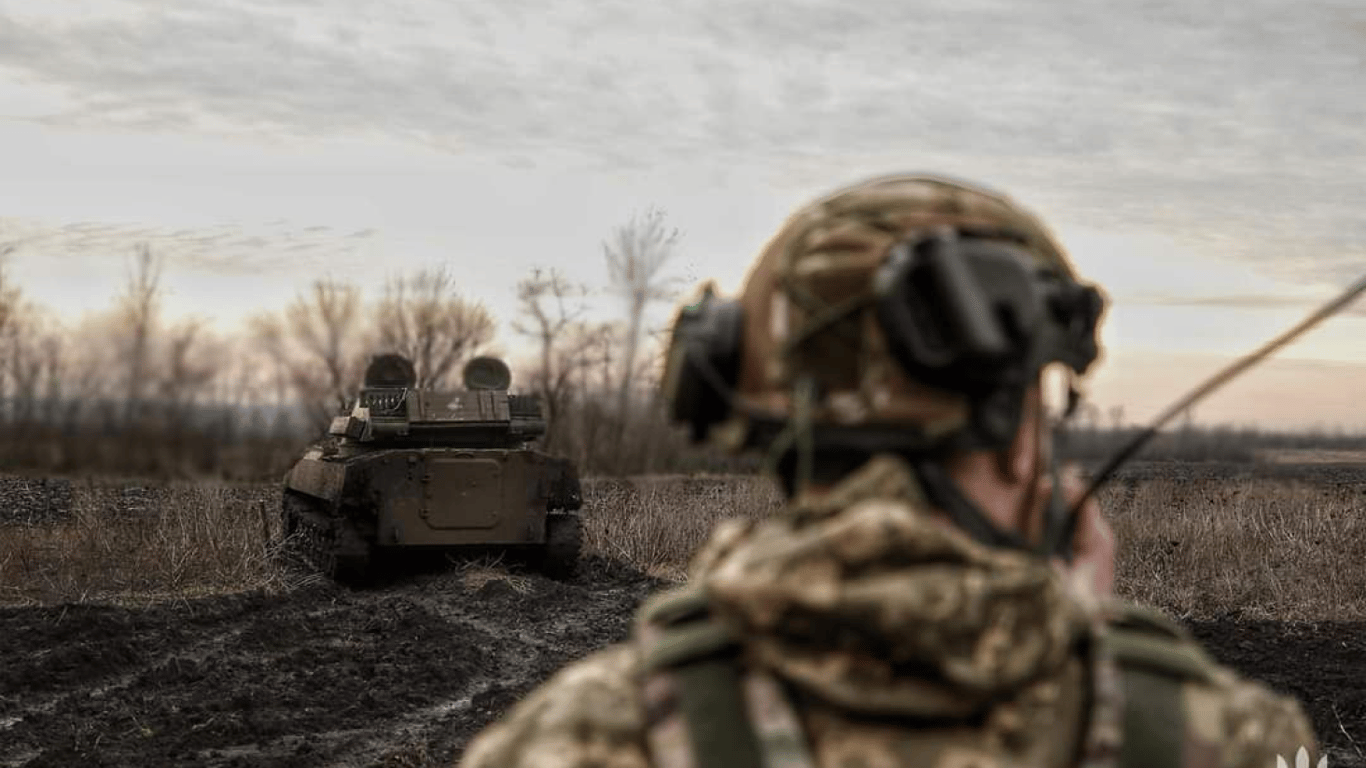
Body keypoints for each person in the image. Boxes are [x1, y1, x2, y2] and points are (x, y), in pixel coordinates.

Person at [457, 173, 1319, 768]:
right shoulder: (1231, 737)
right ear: (1024, 439)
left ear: (749, 417)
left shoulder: (572, 739)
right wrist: (1067, 641)